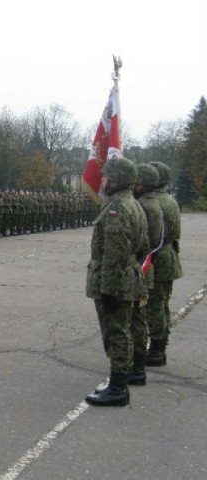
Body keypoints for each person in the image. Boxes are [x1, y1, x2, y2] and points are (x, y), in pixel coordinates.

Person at [84, 157, 148, 407]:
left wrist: (109, 289)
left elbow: (116, 252)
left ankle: (118, 388)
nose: (102, 180)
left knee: (116, 333)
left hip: (115, 281)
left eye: (106, 177)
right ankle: (119, 382)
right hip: (127, 276)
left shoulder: (117, 208)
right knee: (122, 330)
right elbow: (140, 247)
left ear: (117, 180)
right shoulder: (132, 204)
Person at [146, 162, 183, 366]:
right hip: (168, 255)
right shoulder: (169, 199)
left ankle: (157, 351)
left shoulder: (155, 202)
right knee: (161, 304)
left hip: (158, 257)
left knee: (155, 306)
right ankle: (159, 346)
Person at [131, 164, 163, 386]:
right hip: (147, 263)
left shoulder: (146, 206)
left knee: (136, 318)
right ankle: (140, 361)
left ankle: (136, 365)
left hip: (141, 266)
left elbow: (145, 241)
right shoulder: (154, 203)